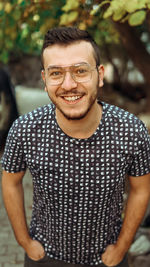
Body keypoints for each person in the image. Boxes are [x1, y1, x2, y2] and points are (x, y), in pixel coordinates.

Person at [1, 27, 150, 267]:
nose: (69, 84)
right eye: (56, 73)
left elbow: (141, 189)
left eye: (80, 71)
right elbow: (10, 181)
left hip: (107, 259)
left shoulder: (130, 130)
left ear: (99, 75)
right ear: (45, 80)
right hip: (45, 257)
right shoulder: (24, 130)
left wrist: (122, 247)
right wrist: (24, 241)